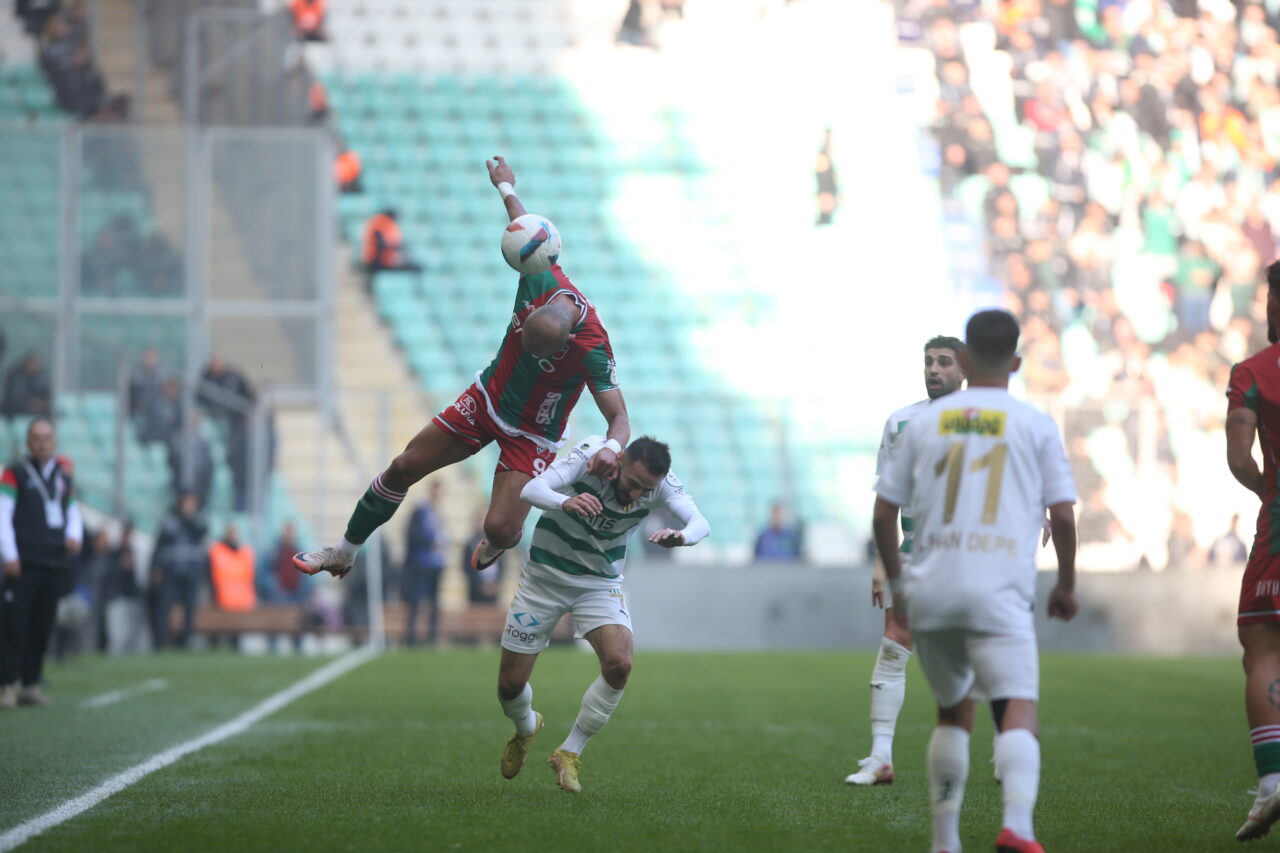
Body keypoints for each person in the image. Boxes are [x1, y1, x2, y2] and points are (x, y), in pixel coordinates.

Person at [295, 156, 631, 583]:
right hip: (487, 399)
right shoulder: (539, 276)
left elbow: (619, 418)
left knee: (501, 529)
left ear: (565, 342)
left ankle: (499, 538)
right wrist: (505, 187)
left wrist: (612, 449)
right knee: (403, 467)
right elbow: (525, 228)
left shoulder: (594, 347)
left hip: (533, 433)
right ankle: (343, 551)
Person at [873, 309, 1077, 853]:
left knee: (952, 713)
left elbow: (882, 515)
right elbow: (1062, 515)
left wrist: (898, 585)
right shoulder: (1034, 423)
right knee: (1016, 708)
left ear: (963, 361)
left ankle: (945, 841)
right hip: (999, 590)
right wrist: (1067, 584)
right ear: (1014, 360)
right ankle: (1017, 826)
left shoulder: (922, 423)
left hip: (933, 590)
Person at [494, 435, 709, 793]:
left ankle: (569, 752)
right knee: (509, 686)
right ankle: (526, 726)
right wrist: (567, 501)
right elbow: (532, 489)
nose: (637, 495)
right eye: (633, 484)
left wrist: (683, 537)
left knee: (620, 664)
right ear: (620, 460)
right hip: (544, 578)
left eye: (647, 489)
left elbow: (700, 522)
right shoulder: (592, 457)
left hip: (598, 583)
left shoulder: (661, 486)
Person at [847, 334, 965, 786]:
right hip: (915, 551)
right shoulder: (900, 422)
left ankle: (1007, 751)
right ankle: (880, 758)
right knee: (895, 643)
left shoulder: (986, 421)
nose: (934, 369)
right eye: (929, 361)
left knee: (980, 651)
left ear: (963, 369)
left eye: (944, 362)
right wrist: (883, 561)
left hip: (970, 552)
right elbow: (887, 502)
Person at [1226, 260, 1280, 841]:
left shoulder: (1255, 371)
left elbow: (1240, 458)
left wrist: (1269, 487)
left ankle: (1272, 784)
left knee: (1264, 642)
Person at [0, 418, 84, 707]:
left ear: (55, 441)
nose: (42, 442)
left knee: (42, 625)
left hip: (52, 562)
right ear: (28, 441)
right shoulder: (15, 474)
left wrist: (74, 535)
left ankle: (30, 684)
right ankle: (6, 685)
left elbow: (73, 511)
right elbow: (3, 515)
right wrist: (9, 555)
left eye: (47, 437)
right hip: (23, 562)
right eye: (37, 437)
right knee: (14, 625)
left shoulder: (62, 477)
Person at [149, 493, 208, 649]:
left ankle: (184, 642)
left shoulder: (199, 518)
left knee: (189, 609)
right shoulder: (170, 519)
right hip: (171, 571)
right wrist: (155, 568)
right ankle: (160, 642)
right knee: (165, 607)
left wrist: (189, 517)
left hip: (190, 572)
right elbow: (160, 544)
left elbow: (201, 532)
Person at [402, 482, 447, 646]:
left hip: (435, 565)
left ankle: (431, 636)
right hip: (420, 564)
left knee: (434, 602)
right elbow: (412, 534)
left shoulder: (438, 513)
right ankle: (411, 636)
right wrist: (430, 542)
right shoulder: (421, 511)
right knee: (416, 601)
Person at [102, 521, 147, 654]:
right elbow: (107, 573)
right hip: (116, 596)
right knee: (116, 634)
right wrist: (119, 566)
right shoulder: (113, 553)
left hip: (133, 596)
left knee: (132, 635)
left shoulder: (136, 552)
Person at [209, 523, 255, 613]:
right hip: (223, 603)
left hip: (245, 603)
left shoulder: (246, 552)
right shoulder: (217, 551)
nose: (233, 535)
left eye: (234, 532)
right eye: (230, 532)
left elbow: (251, 579)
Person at [1, 351, 51, 418]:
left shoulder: (40, 376)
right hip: (15, 412)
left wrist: (40, 403)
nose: (36, 365)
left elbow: (46, 394)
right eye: (33, 362)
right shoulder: (16, 375)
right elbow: (13, 397)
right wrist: (29, 404)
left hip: (36, 412)